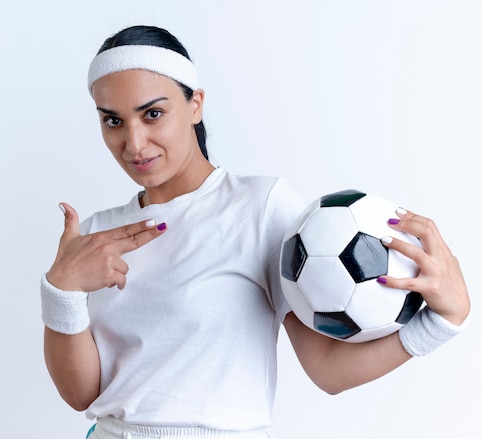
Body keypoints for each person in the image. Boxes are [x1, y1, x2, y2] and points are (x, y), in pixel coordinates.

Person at [40, 25, 471, 439]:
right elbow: (83, 395)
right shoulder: (96, 233)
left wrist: (441, 322)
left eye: (153, 114)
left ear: (195, 105)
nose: (133, 143)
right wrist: (61, 289)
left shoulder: (259, 207)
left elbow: (327, 369)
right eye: (112, 121)